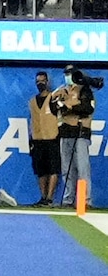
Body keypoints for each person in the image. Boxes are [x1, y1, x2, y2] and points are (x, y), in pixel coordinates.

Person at [51, 65, 96, 208]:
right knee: (67, 169)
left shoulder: (84, 89)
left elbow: (88, 108)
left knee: (82, 167)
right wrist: (57, 103)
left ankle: (85, 201)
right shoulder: (61, 91)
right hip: (65, 132)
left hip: (80, 131)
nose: (68, 76)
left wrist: (69, 107)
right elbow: (53, 109)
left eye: (70, 73)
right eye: (66, 73)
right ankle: (68, 200)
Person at [28, 71, 61, 207]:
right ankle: (42, 197)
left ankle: (49, 198)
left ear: (48, 82)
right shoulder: (32, 101)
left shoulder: (53, 99)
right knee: (40, 170)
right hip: (37, 139)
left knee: (53, 169)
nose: (40, 83)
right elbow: (31, 121)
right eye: (38, 81)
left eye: (42, 81)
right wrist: (30, 140)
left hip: (52, 138)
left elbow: (60, 118)